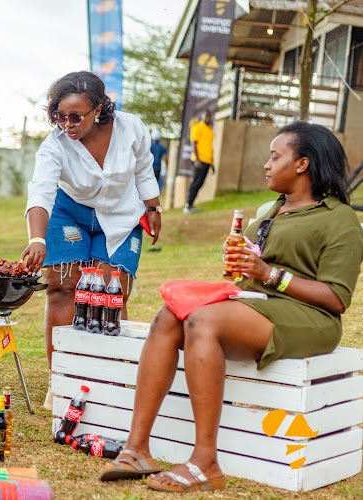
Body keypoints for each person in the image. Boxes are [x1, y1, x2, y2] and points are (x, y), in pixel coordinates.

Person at [99, 121, 363, 492]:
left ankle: (205, 462)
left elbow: (337, 298)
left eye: (276, 156)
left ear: (302, 164)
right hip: (256, 303)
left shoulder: (340, 219)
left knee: (202, 321)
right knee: (170, 313)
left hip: (309, 318)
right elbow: (254, 268)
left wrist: (270, 275)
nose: (267, 164)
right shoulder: (273, 208)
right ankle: (137, 448)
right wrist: (242, 260)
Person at [21, 71, 162, 411]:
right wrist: (38, 238)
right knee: (62, 287)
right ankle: (61, 379)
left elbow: (144, 167)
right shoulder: (54, 144)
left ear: (98, 110)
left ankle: (109, 378)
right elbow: (41, 189)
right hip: (69, 212)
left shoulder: (131, 129)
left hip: (121, 214)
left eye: (75, 116)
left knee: (110, 292)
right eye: (59, 115)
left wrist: (153, 206)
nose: (66, 124)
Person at [184, 110, 214, 214]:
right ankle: (188, 205)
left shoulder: (210, 130)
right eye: (207, 116)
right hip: (199, 161)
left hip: (207, 161)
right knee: (195, 182)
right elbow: (193, 144)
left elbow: (209, 147)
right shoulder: (197, 127)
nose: (208, 118)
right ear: (202, 116)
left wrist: (212, 163)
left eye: (210, 116)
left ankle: (191, 205)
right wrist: (197, 160)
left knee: (200, 183)